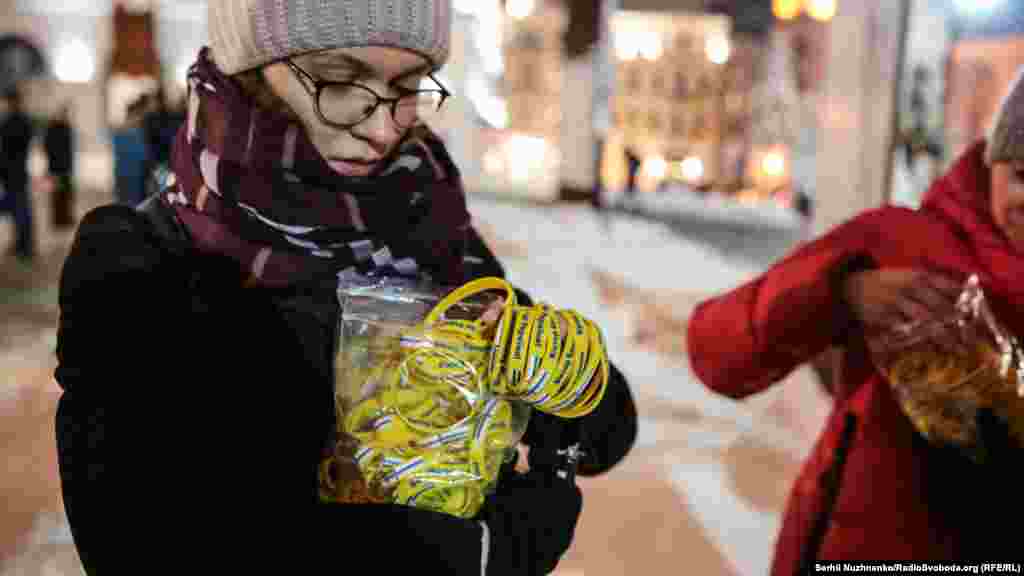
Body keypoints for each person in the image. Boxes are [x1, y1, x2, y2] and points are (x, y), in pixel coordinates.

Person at [54, 1, 637, 575]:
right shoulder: (140, 264)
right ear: (250, 73)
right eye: (338, 81)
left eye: (409, 85)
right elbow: (145, 545)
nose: (383, 127)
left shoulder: (428, 227)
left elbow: (606, 433)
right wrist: (455, 556)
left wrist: (568, 378)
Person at [687, 67, 1024, 571]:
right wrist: (839, 291)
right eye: (1023, 174)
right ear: (990, 159)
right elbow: (715, 351)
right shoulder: (898, 243)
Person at [1, 86, 35, 260]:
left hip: (13, 172)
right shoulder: (20, 120)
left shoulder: (15, 121)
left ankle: (25, 246)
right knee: (18, 210)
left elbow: (9, 149)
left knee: (20, 210)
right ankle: (22, 244)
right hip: (15, 172)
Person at [110, 96, 150, 206]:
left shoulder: (120, 131)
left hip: (125, 173)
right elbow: (143, 154)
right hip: (133, 174)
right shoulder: (138, 132)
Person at [44, 102, 76, 229]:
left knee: (64, 194)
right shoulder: (56, 128)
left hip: (61, 168)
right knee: (59, 194)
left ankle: (63, 218)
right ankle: (59, 219)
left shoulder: (61, 128)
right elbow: (48, 148)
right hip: (58, 168)